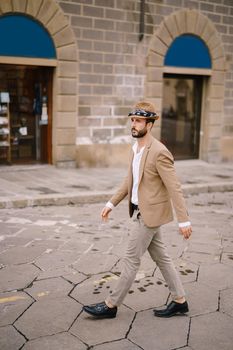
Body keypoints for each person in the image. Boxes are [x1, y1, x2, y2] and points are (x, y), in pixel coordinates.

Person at [83, 101, 192, 319]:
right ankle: (180, 300)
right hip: (142, 211)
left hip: (147, 215)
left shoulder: (159, 152)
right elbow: (129, 181)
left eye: (139, 121)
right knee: (162, 258)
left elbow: (174, 187)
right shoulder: (136, 149)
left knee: (131, 259)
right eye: (132, 120)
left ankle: (111, 305)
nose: (134, 124)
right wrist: (111, 203)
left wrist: (184, 220)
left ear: (150, 124)